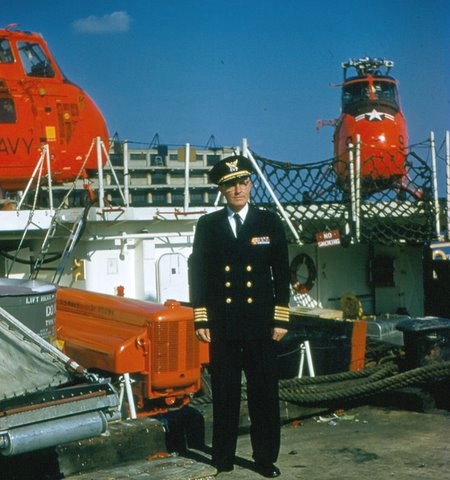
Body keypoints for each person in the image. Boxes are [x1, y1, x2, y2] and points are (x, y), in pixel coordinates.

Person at [190, 154, 290, 478]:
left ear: (251, 184)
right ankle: (223, 458)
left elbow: (282, 273)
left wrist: (281, 318)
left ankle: (264, 459)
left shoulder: (269, 222)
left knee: (264, 394)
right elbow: (199, 274)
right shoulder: (208, 226)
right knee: (225, 394)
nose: (238, 189)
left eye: (243, 182)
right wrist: (201, 318)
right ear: (222, 189)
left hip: (261, 325)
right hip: (224, 324)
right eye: (231, 184)